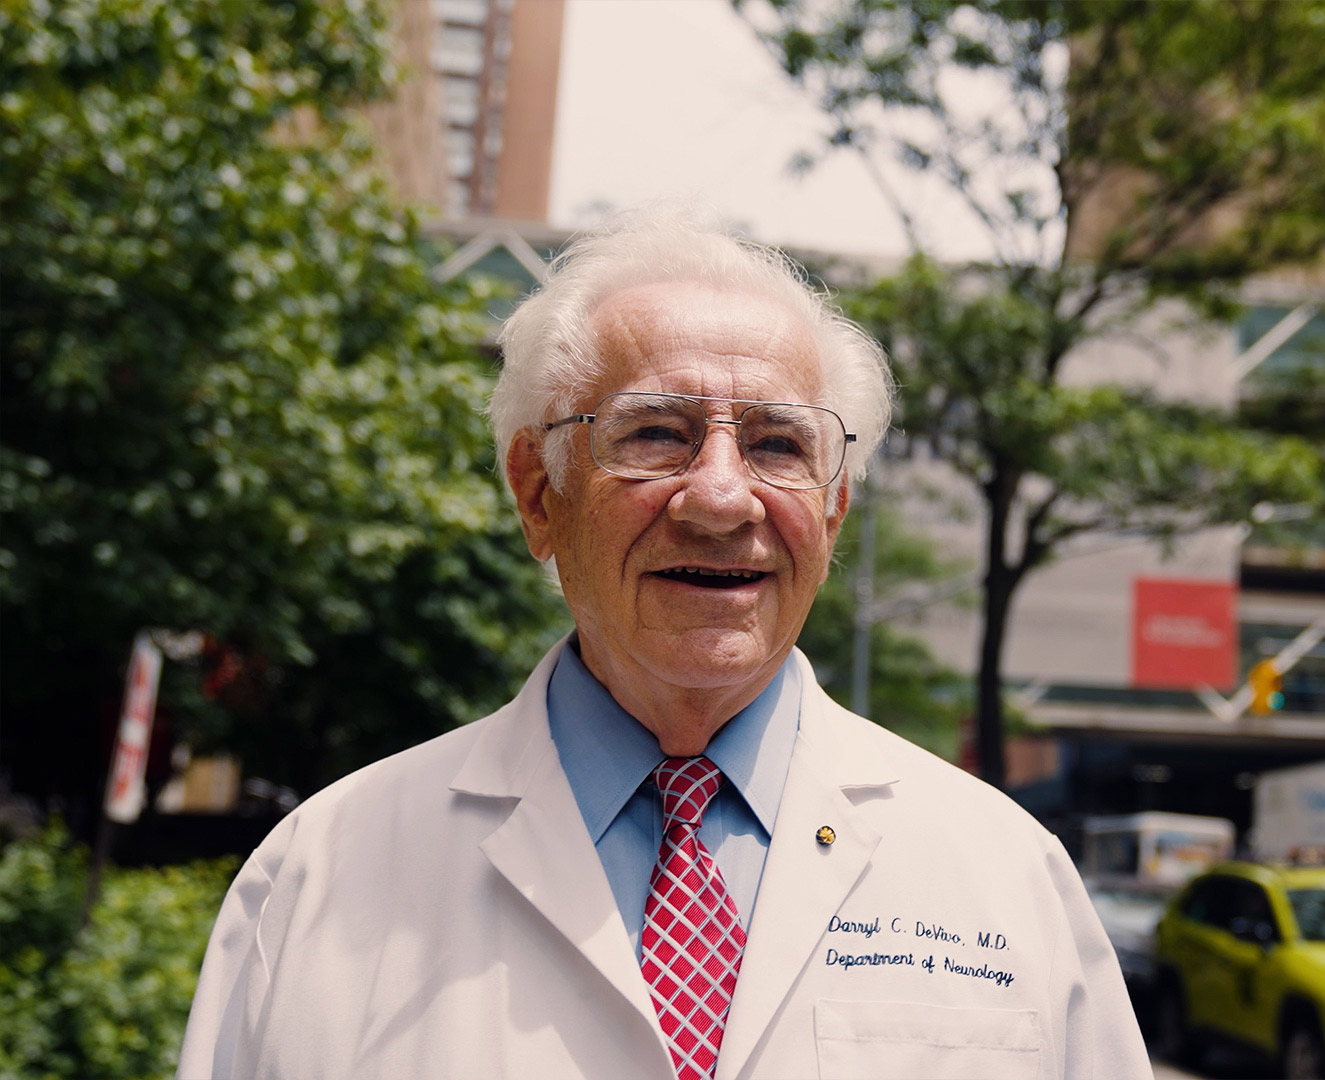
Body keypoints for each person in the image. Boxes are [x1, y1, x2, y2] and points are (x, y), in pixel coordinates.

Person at [177, 209, 1151, 1080]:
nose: (724, 498)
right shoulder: (317, 880)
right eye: (655, 434)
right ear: (538, 493)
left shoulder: (1007, 876)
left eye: (778, 444)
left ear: (835, 505)